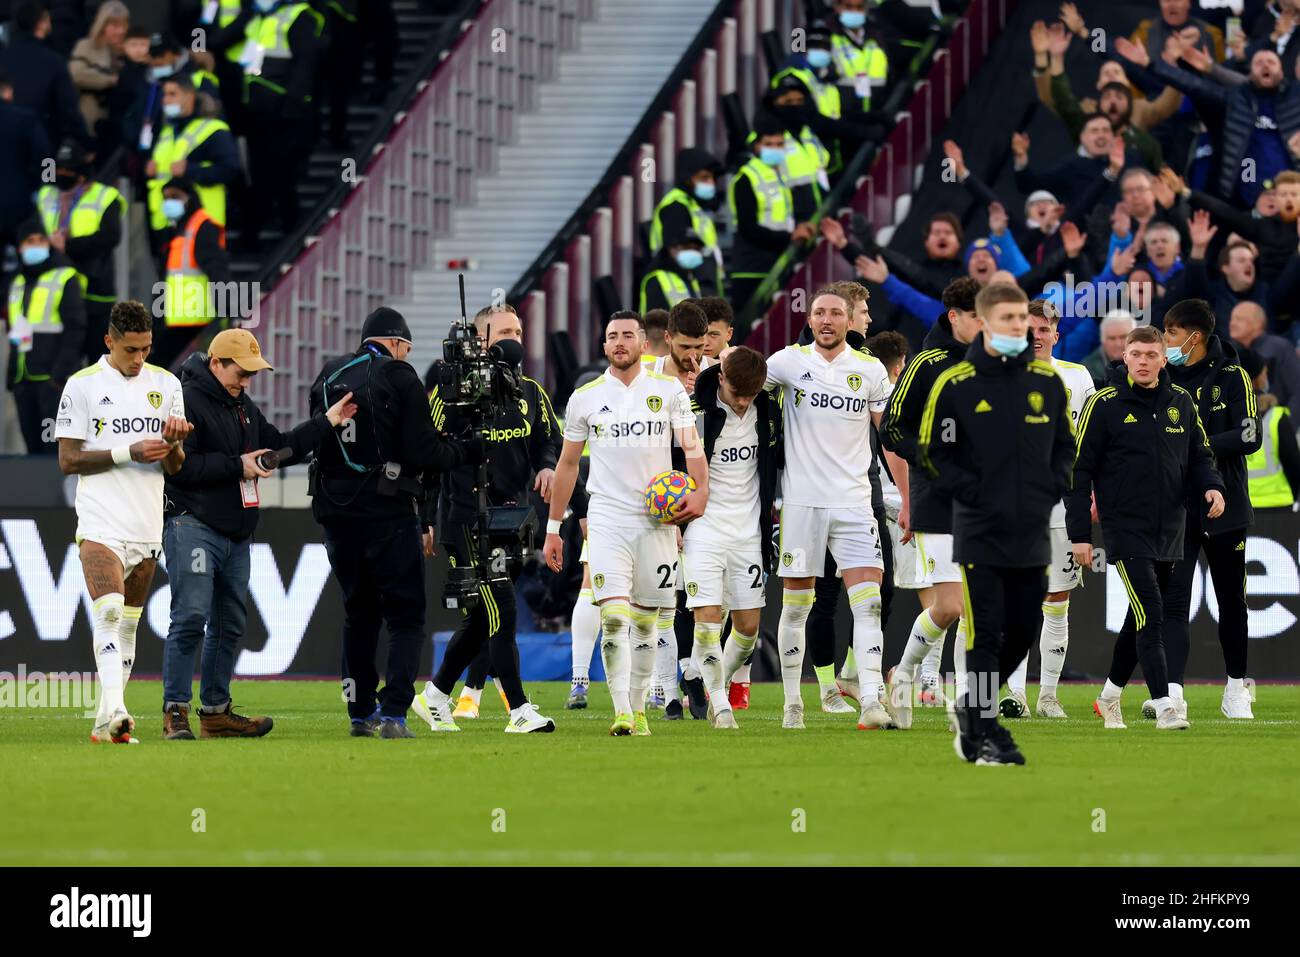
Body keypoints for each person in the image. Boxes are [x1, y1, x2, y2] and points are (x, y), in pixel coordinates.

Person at [160, 329, 355, 739]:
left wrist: (327, 423)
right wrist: (239, 465)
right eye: (241, 372)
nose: (247, 381)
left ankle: (215, 713)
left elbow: (280, 447)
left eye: (251, 373)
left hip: (236, 531)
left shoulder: (242, 406)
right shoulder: (185, 400)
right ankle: (175, 710)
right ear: (216, 364)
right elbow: (180, 469)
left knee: (230, 624)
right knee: (191, 617)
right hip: (192, 522)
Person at [918, 283, 1074, 766]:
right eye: (1007, 318)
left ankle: (971, 709)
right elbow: (932, 452)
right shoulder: (956, 384)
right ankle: (986, 731)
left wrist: (1050, 489)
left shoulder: (1046, 383)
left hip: (1032, 528)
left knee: (1024, 629)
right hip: (980, 529)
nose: (1017, 327)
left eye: (1021, 319)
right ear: (984, 323)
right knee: (985, 632)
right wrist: (975, 493)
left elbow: (1065, 447)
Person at [309, 307, 482, 738]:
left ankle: (359, 712)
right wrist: (465, 450)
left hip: (337, 516)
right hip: (389, 514)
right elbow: (424, 452)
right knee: (405, 617)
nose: (405, 354)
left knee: (358, 616)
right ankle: (394, 714)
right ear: (396, 343)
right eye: (405, 348)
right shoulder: (400, 375)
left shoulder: (329, 374)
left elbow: (318, 438)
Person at [542, 311, 709, 736]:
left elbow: (692, 449)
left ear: (644, 344)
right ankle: (621, 711)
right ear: (604, 346)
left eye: (628, 335)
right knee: (615, 618)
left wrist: (701, 492)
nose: (620, 342)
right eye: (612, 336)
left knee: (647, 623)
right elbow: (566, 466)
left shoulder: (668, 390)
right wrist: (553, 528)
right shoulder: (584, 397)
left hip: (656, 521)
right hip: (607, 518)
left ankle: (638, 708)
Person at [1068, 325, 1226, 732]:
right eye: (1135, 354)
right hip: (1125, 527)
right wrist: (1079, 534)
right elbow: (1079, 470)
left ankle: (1108, 698)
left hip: (1171, 526)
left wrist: (1212, 486)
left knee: (1138, 617)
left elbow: (1200, 455)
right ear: (1124, 357)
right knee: (1153, 613)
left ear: (1163, 359)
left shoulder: (1181, 402)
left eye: (1151, 355)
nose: (1142, 361)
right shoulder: (1104, 404)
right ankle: (1165, 705)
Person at [412, 304, 561, 735]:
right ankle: (519, 709)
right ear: (480, 341)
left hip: (512, 519)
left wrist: (547, 465)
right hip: (466, 518)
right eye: (504, 332)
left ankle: (435, 696)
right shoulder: (451, 393)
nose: (514, 339)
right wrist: (425, 518)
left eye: (518, 331)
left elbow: (549, 437)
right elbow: (427, 454)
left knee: (483, 616)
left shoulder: (530, 392)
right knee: (503, 609)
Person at [764, 286, 905, 730]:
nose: (827, 320)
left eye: (836, 313)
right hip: (801, 505)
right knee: (796, 607)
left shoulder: (869, 369)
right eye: (819, 313)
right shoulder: (786, 362)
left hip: (854, 504)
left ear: (848, 321)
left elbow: (890, 441)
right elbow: (741, 388)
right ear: (809, 320)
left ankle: (871, 700)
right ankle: (792, 704)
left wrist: (910, 498)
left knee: (869, 604)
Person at [54, 300, 190, 743]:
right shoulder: (82, 385)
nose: (139, 358)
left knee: (128, 623)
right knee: (109, 612)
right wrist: (125, 452)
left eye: (146, 348)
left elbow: (176, 467)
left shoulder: (167, 384)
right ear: (109, 341)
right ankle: (117, 709)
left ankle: (104, 722)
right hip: (101, 520)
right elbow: (67, 460)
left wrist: (174, 445)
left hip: (147, 522)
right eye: (130, 349)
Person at [1141, 300, 1259, 721]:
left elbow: (1249, 436)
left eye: (1171, 333)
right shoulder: (1163, 377)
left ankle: (1235, 689)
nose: (1165, 340)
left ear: (1194, 337)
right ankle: (1174, 692)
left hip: (1227, 505)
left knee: (1232, 601)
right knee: (1174, 602)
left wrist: (1194, 445)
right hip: (1177, 507)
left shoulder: (1233, 376)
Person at [880, 277, 983, 728]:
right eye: (977, 317)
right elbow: (891, 428)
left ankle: (971, 703)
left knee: (978, 609)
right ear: (954, 316)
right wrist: (930, 456)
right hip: (938, 497)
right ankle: (903, 673)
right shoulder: (926, 363)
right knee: (950, 607)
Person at [795, 279, 898, 714]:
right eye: (863, 311)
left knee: (881, 589)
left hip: (863, 491)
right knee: (822, 598)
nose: (869, 319)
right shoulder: (795, 361)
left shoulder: (868, 366)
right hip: (811, 499)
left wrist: (906, 490)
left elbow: (888, 433)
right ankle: (826, 687)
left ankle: (855, 673)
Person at [1001, 299, 1096, 719]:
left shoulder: (1078, 376)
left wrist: (1093, 493)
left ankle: (1049, 697)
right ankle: (1016, 695)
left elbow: (1092, 444)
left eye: (1044, 329)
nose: (1036, 335)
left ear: (1056, 334)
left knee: (1057, 600)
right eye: (1030, 328)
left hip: (1062, 505)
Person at [685, 346, 781, 729]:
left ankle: (715, 682)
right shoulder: (694, 412)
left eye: (750, 394)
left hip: (749, 532)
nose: (743, 401)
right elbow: (672, 466)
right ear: (721, 378)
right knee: (708, 619)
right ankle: (720, 702)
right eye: (737, 393)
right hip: (703, 527)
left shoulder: (769, 411)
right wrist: (674, 523)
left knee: (747, 628)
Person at [213, 0, 324, 251]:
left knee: (281, 171)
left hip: (281, 110)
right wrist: (247, 16)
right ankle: (255, 234)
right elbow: (220, 41)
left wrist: (292, 104)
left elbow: (306, 63)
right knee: (258, 174)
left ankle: (289, 227)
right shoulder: (258, 16)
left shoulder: (299, 16)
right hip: (255, 110)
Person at [35, 139, 125, 362]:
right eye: (59, 169)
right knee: (65, 361)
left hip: (95, 289)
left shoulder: (105, 196)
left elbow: (110, 236)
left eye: (68, 170)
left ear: (82, 172)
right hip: (59, 290)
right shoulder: (47, 196)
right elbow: (33, 231)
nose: (62, 174)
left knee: (99, 361)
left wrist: (69, 245)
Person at [7, 217, 87, 454]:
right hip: (23, 377)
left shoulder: (64, 277)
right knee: (32, 448)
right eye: (30, 241)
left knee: (53, 449)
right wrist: (12, 373)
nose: (36, 245)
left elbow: (75, 327)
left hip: (51, 379)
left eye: (41, 240)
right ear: (20, 248)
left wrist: (60, 373)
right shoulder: (17, 282)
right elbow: (15, 330)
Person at [727, 113, 809, 314]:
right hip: (752, 270)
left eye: (779, 144)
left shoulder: (780, 176)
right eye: (769, 144)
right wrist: (790, 237)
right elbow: (748, 227)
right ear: (757, 146)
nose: (775, 149)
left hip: (775, 262)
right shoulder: (746, 178)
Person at [152, 176, 233, 368]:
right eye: (166, 198)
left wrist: (226, 310)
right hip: (176, 320)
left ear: (189, 197)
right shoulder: (177, 229)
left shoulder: (201, 226)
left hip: (196, 322)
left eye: (175, 196)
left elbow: (217, 270)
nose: (169, 202)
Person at [145, 74, 237, 239]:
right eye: (164, 94)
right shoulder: (167, 132)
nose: (165, 100)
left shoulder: (214, 130)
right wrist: (150, 170)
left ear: (190, 96)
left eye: (172, 94)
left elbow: (230, 169)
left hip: (203, 222)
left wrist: (190, 170)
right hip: (167, 223)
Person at [0, 1, 88, 149]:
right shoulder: (53, 62)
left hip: (5, 143)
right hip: (42, 143)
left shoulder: (3, 57)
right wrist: (86, 143)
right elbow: (68, 108)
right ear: (41, 23)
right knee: (48, 165)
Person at [649, 148, 724, 297]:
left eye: (712, 178)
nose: (711, 183)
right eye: (704, 178)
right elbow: (679, 255)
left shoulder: (694, 205)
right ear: (688, 178)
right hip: (681, 289)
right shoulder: (675, 207)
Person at [0, 69, 51, 253]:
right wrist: (49, 185)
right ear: (8, 91)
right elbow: (46, 157)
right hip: (19, 204)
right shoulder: (26, 119)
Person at [67, 1, 128, 148]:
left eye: (123, 26)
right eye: (114, 26)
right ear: (102, 25)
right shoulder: (87, 46)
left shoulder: (127, 50)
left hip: (118, 124)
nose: (120, 31)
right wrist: (111, 80)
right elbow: (76, 74)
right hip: (90, 122)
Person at [1245, 348, 1300, 507]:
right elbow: (1293, 463)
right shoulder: (1276, 417)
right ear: (1256, 379)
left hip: (1239, 506)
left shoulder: (1223, 414)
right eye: (1264, 373)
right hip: (1277, 502)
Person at [1230, 300, 1300, 421]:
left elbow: (1297, 390)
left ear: (1258, 323)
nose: (1232, 323)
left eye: (1239, 319)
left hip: (1275, 425)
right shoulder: (1230, 353)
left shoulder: (1278, 347)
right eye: (1231, 319)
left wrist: (1288, 426)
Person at [638, 228, 705, 313]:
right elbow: (653, 319)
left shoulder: (693, 279)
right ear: (671, 249)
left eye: (697, 249)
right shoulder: (657, 279)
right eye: (687, 247)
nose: (692, 252)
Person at [1083, 309, 1136, 386]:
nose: (1118, 344)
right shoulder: (1088, 370)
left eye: (1123, 337)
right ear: (1102, 340)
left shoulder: (1148, 361)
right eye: (1112, 338)